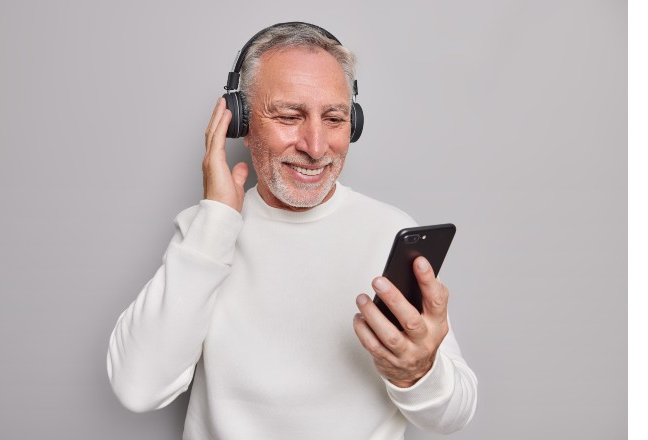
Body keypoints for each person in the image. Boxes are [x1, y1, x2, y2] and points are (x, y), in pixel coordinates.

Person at [107, 22, 477, 439]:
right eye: (289, 116)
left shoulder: (391, 231)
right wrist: (215, 221)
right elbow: (137, 389)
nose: (316, 147)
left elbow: (453, 417)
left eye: (334, 118)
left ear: (352, 124)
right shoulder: (206, 231)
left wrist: (418, 372)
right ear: (240, 122)